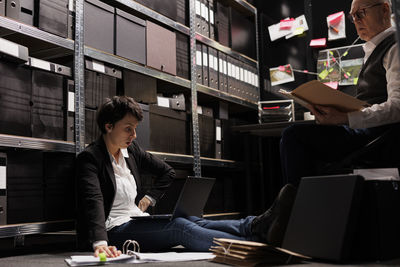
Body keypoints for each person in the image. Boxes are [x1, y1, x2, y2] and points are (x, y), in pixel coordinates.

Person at [76, 96, 296, 257]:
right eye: (128, 129)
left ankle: (257, 225)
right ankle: (255, 246)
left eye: (135, 129)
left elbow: (166, 172)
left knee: (190, 220)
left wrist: (150, 198)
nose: (134, 135)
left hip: (134, 220)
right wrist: (99, 242)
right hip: (113, 231)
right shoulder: (91, 158)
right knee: (179, 229)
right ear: (108, 126)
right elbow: (92, 200)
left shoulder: (130, 151)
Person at [280, 0, 400, 186]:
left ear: (384, 9)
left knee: (294, 136)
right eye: (353, 17)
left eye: (361, 13)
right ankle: (308, 208)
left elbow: (397, 107)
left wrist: (346, 118)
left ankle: (295, 210)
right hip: (369, 133)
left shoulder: (394, 48)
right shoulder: (374, 48)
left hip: (380, 138)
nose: (356, 21)